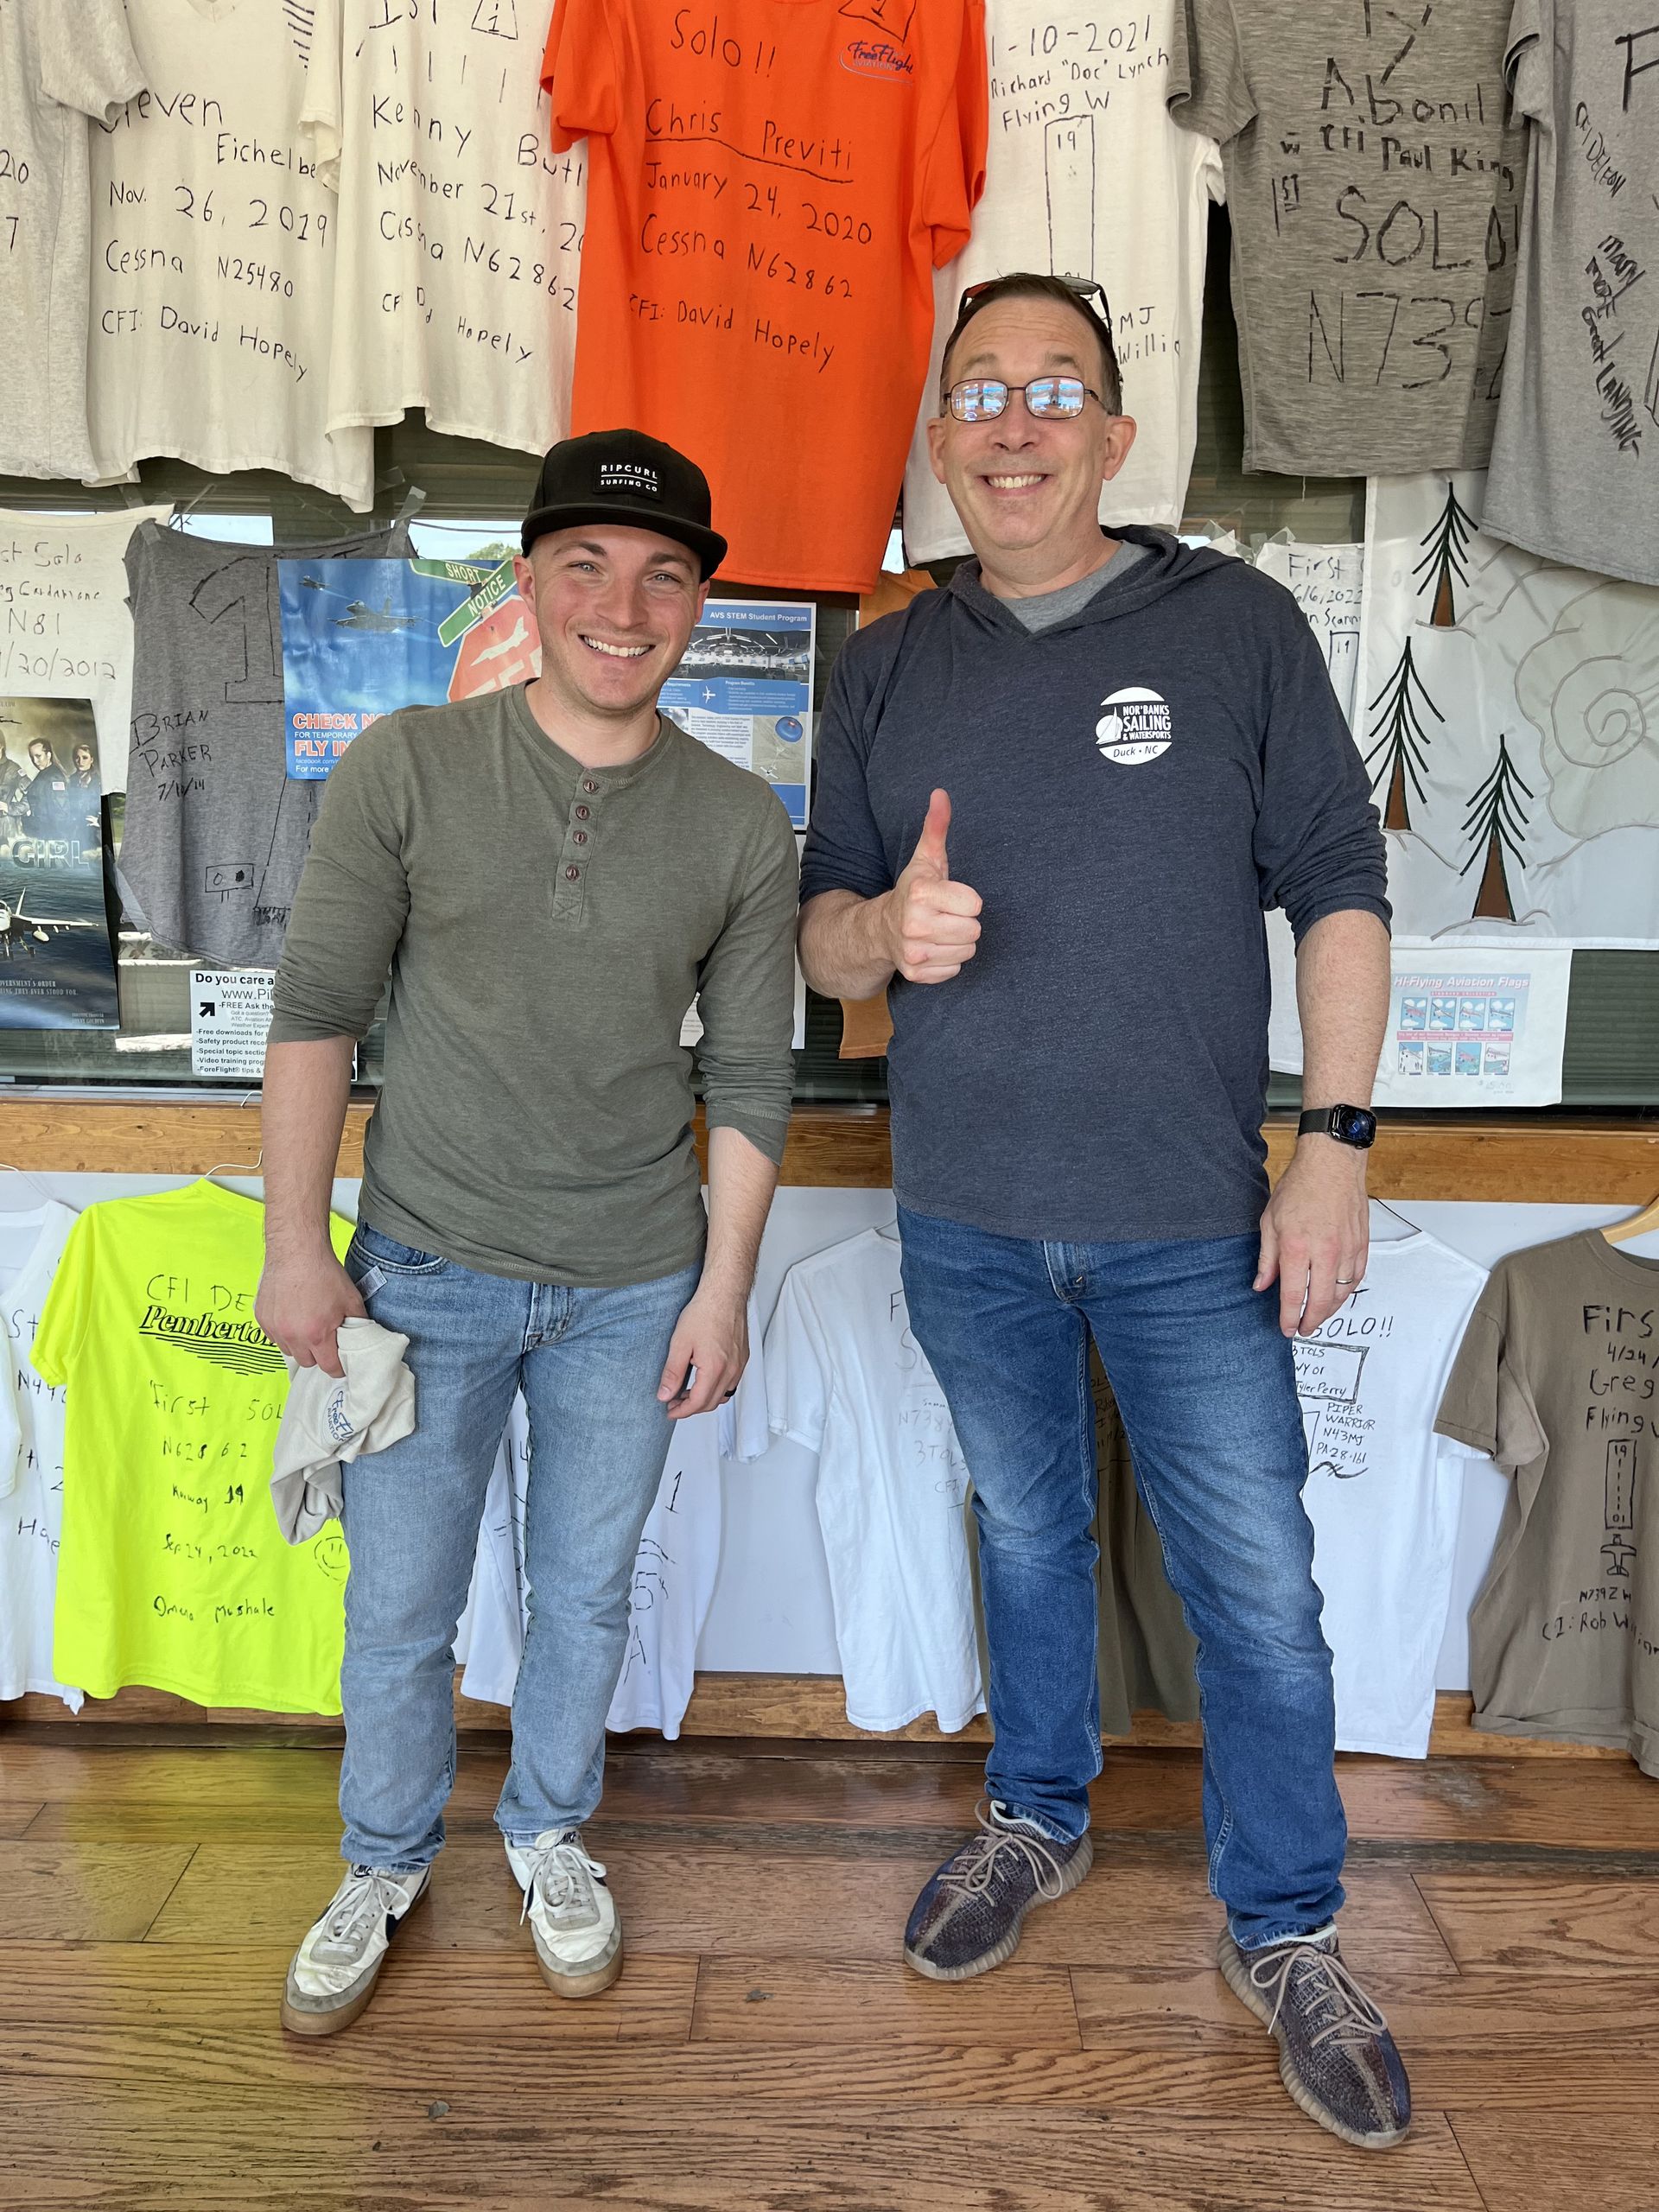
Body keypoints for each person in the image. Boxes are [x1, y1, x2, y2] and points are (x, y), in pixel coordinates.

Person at [797, 273, 1404, 2152]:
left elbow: (1341, 886)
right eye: (979, 391)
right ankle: (1037, 1816)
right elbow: (819, 929)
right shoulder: (888, 662)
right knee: (1028, 1535)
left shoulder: (1234, 628)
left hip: (1186, 1216)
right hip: (965, 1211)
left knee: (1262, 1592)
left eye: (1055, 386)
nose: (1014, 419)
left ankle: (1288, 1924)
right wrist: (885, 935)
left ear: (1116, 437)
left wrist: (1338, 1137)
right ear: (944, 442)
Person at [258, 430, 798, 2037]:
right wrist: (301, 1245)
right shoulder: (407, 767)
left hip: (635, 1287)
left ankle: (550, 1832)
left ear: (698, 604)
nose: (622, 604)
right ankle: (380, 1859)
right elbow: (316, 1016)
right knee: (400, 1610)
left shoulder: (738, 824)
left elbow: (758, 1071)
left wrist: (726, 1286)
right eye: (587, 565)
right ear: (533, 580)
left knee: (582, 1595)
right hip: (421, 1274)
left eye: (663, 575)